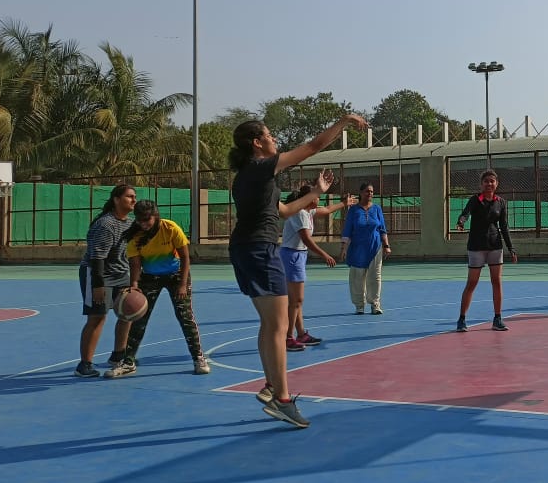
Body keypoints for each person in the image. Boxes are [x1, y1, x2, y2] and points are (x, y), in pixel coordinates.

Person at [228, 113, 367, 429]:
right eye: (269, 134)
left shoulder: (250, 178)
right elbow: (314, 146)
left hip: (245, 248)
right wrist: (344, 121)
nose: (274, 138)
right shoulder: (261, 166)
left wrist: (316, 191)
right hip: (259, 249)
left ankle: (270, 386)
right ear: (257, 143)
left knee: (269, 324)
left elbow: (286, 211)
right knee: (278, 327)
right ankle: (283, 400)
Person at [105, 199, 210, 378]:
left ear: (155, 216)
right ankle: (128, 362)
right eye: (140, 220)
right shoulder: (135, 236)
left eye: (147, 219)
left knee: (185, 316)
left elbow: (185, 258)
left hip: (176, 275)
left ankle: (198, 357)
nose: (143, 224)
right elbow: (135, 264)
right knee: (139, 318)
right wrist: (135, 285)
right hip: (149, 277)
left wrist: (183, 284)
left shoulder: (170, 228)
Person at [279, 184, 352, 350]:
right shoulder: (299, 213)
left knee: (297, 301)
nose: (318, 198)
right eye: (316, 195)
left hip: (297, 255)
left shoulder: (308, 211)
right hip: (292, 255)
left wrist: (344, 203)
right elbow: (305, 239)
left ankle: (301, 334)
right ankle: (288, 338)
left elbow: (326, 210)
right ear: (309, 198)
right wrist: (324, 255)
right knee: (296, 301)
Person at [75, 184, 136, 378]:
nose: (134, 200)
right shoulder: (105, 224)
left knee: (127, 313)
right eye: (129, 197)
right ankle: (84, 364)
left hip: (121, 274)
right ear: (116, 199)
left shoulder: (130, 223)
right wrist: (98, 285)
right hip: (97, 273)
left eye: (134, 196)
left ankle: (118, 355)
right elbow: (97, 257)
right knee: (97, 317)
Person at [455, 169, 518, 332]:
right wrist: (461, 222)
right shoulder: (476, 200)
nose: (489, 184)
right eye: (486, 181)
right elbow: (465, 213)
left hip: (495, 247)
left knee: (496, 282)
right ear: (481, 184)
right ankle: (461, 319)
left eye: (492, 181)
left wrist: (511, 248)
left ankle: (497, 319)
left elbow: (504, 227)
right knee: (472, 283)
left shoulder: (501, 202)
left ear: (496, 184)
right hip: (476, 246)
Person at [340, 183, 390, 314]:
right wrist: (344, 248)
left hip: (375, 247)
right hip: (357, 249)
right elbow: (347, 231)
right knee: (357, 277)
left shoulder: (377, 209)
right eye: (367, 191)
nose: (370, 194)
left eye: (372, 192)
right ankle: (359, 305)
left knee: (375, 277)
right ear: (361, 193)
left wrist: (386, 246)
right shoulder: (353, 211)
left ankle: (375, 305)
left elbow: (382, 229)